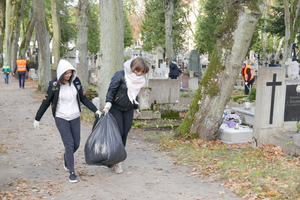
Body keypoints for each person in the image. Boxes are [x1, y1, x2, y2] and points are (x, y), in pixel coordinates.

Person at [33, 59, 102, 183]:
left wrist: (96, 110)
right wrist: (37, 119)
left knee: (76, 144)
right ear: (60, 73)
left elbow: (83, 99)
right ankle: (72, 172)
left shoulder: (76, 81)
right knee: (69, 144)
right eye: (66, 73)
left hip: (75, 116)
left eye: (70, 73)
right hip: (61, 117)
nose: (68, 75)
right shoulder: (53, 85)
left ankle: (66, 157)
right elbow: (46, 102)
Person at [103, 57, 149, 174]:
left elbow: (134, 93)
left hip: (128, 108)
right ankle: (114, 160)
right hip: (116, 107)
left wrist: (135, 108)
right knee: (118, 133)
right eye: (137, 71)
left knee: (124, 134)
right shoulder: (120, 75)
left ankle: (117, 159)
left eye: (142, 72)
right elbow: (111, 90)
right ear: (132, 68)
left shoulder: (140, 79)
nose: (139, 74)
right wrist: (108, 103)